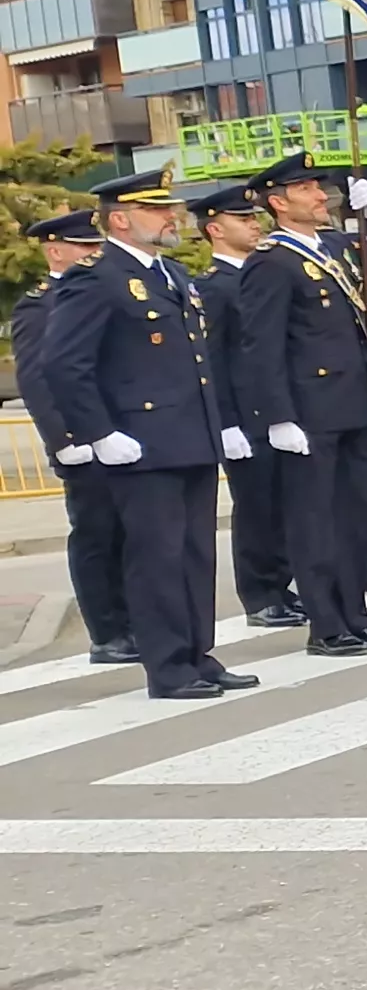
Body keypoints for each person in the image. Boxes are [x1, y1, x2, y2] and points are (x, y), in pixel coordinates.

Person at [28, 178, 248, 699]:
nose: (171, 217)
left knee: (194, 553)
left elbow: (193, 362)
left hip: (189, 436)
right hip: (141, 444)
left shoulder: (170, 273)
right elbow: (62, 363)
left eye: (169, 208)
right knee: (156, 558)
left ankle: (197, 653)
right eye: (157, 210)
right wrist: (99, 433)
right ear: (120, 219)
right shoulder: (96, 277)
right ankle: (169, 667)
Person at [229, 153, 367, 656]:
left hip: (353, 402)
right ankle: (327, 626)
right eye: (307, 189)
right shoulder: (271, 262)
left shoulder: (331, 247)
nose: (320, 195)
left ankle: (357, 615)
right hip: (310, 412)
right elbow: (260, 346)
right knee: (315, 522)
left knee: (354, 517)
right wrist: (278, 417)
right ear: (278, 202)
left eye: (319, 187)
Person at [12, 211, 132, 664]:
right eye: (83, 248)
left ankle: (136, 622)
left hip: (121, 435)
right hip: (83, 443)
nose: (93, 254)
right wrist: (65, 440)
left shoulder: (104, 291)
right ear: (55, 250)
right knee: (98, 535)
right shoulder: (41, 305)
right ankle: (107, 631)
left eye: (95, 246)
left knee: (132, 536)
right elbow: (39, 379)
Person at [185, 180, 296, 629]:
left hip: (276, 409)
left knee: (285, 504)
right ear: (214, 229)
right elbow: (212, 361)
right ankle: (261, 593)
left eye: (255, 218)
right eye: (243, 219)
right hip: (245, 419)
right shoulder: (214, 287)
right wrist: (226, 423)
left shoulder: (260, 274)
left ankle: (283, 585)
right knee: (256, 506)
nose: (255, 226)